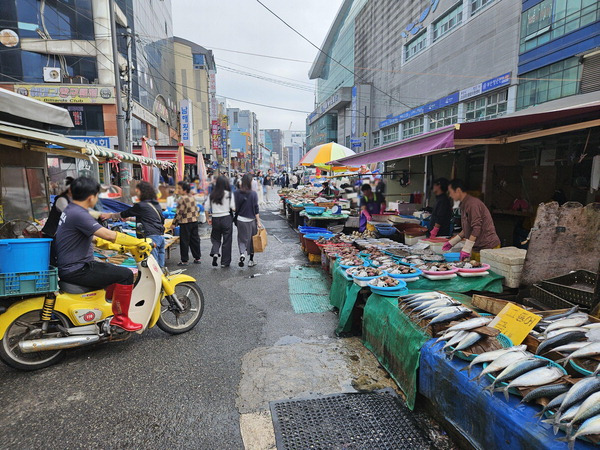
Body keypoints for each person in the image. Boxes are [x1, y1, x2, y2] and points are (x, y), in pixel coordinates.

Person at [55, 177, 150, 332]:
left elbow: (92, 237)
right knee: (125, 274)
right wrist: (137, 243)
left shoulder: (71, 210)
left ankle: (108, 311)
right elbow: (108, 234)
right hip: (78, 269)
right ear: (91, 197)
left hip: (72, 266)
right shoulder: (80, 214)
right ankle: (121, 319)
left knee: (111, 270)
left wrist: (117, 248)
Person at [102, 181, 166, 267]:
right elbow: (149, 218)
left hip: (150, 238)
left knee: (152, 265)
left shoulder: (141, 205)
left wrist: (109, 215)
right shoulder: (155, 204)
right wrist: (129, 219)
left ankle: (157, 280)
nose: (136, 192)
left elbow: (125, 213)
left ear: (142, 192)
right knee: (160, 267)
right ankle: (162, 279)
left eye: (137, 191)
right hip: (160, 236)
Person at [442, 179, 501, 260]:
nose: (450, 195)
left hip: (488, 247)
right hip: (477, 247)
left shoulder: (472, 204)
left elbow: (476, 228)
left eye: (450, 192)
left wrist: (467, 248)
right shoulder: (464, 204)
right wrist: (453, 241)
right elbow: (468, 227)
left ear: (458, 190)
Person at [206, 175, 235, 268]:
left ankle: (215, 252)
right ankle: (224, 262)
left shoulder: (212, 195)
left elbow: (206, 208)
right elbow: (233, 208)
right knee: (227, 240)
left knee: (215, 238)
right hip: (226, 217)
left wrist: (207, 218)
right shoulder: (229, 194)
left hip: (215, 218)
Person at [234, 173, 261, 267]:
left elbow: (235, 207)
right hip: (251, 220)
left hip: (240, 219)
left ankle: (242, 254)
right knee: (252, 240)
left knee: (242, 238)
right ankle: (251, 260)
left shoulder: (237, 193)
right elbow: (256, 209)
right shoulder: (253, 194)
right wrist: (258, 222)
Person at [171, 181, 201, 266]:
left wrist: (174, 223)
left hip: (185, 222)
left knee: (184, 241)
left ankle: (184, 260)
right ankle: (197, 257)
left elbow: (179, 213)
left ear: (185, 190)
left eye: (180, 188)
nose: (178, 190)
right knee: (194, 240)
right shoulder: (192, 197)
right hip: (194, 221)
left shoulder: (182, 199)